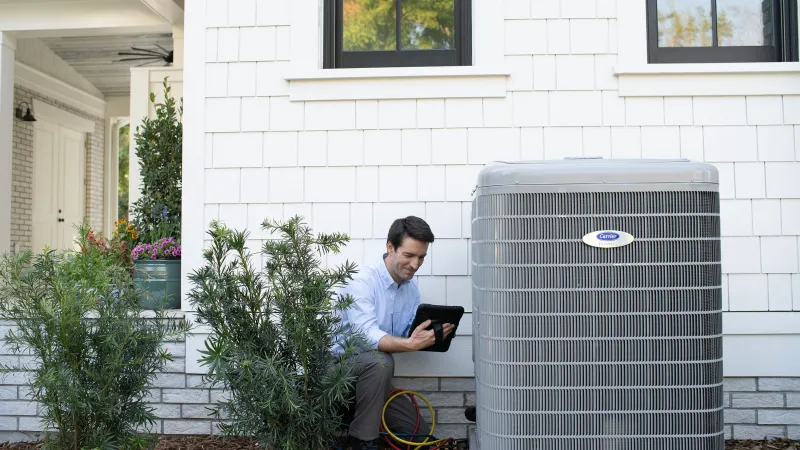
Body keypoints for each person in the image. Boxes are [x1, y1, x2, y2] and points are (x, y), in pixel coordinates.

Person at [331, 216, 455, 450]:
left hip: (373, 382)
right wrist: (410, 344)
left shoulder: (411, 291)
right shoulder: (362, 280)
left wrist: (432, 335)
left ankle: (357, 418)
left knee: (417, 434)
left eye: (421, 257)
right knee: (380, 360)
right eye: (409, 255)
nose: (415, 264)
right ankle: (363, 441)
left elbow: (406, 334)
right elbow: (367, 337)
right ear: (390, 247)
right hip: (335, 371)